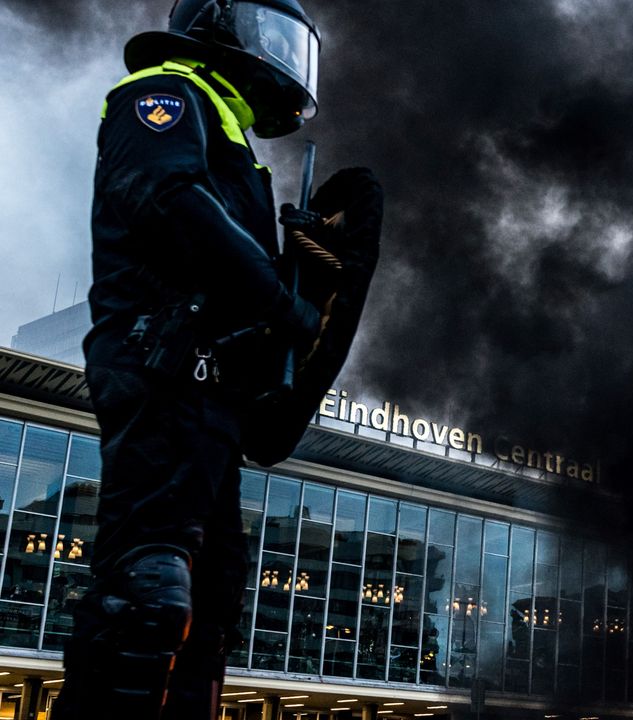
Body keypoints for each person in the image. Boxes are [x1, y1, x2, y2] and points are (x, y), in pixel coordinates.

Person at [54, 1, 338, 718]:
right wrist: (279, 297)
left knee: (209, 603)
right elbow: (167, 197)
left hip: (211, 392)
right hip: (162, 365)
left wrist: (305, 275)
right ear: (218, 22)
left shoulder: (230, 132)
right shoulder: (163, 92)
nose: (281, 54)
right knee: (146, 592)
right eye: (271, 33)